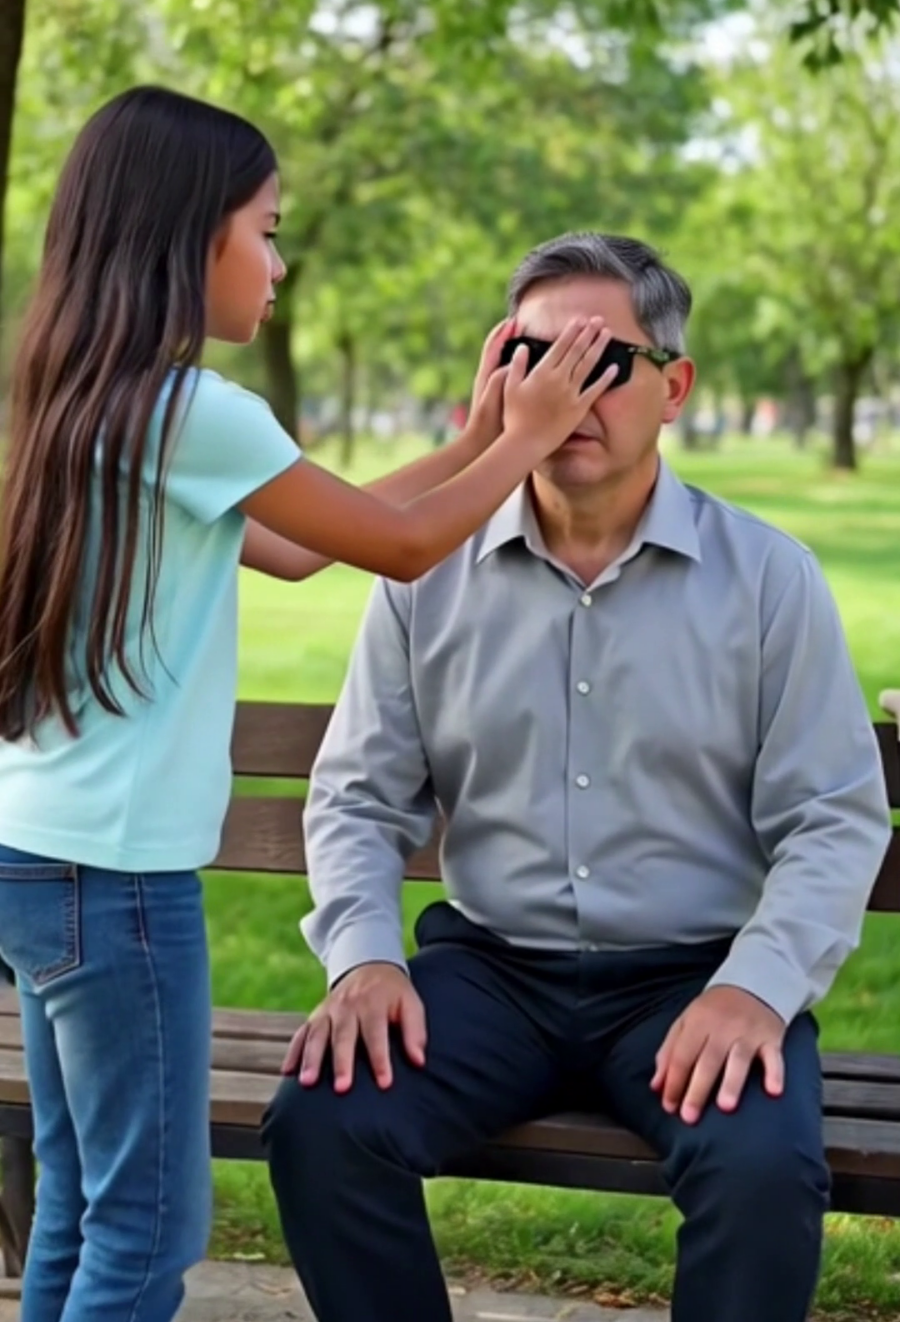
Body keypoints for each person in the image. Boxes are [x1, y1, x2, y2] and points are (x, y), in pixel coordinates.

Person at [0, 91, 621, 1322]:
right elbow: (402, 550)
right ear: (189, 237)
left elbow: (299, 547)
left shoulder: (86, 400)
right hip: (116, 882)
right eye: (268, 231)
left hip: (37, 855)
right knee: (149, 1225)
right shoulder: (193, 411)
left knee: (80, 1194)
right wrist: (528, 435)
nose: (279, 265)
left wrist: (476, 440)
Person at [263, 231, 892, 1322]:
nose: (564, 392)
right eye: (533, 357)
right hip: (490, 974)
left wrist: (756, 987)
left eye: (602, 362)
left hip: (693, 977)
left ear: (675, 388)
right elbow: (358, 795)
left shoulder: (769, 580)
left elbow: (833, 816)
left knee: (762, 1168)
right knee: (324, 1122)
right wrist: (361, 957)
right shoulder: (424, 574)